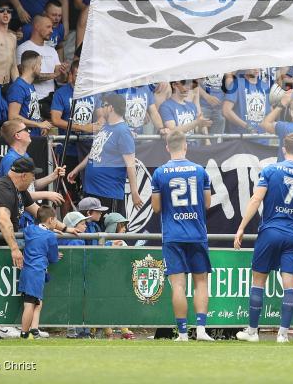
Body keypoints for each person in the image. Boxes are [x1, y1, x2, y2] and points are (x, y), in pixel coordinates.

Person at [0, 156, 63, 338]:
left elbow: (40, 214)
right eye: (33, 176)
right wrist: (15, 249)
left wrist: (65, 227)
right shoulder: (3, 188)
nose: (34, 180)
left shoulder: (20, 191)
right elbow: (3, 220)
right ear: (24, 175)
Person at [234, 133, 293, 344]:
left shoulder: (270, 170)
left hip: (270, 231)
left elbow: (256, 198)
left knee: (258, 282)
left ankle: (252, 332)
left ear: (283, 149)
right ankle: (283, 334)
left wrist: (241, 228)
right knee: (290, 285)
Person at [151, 131, 214, 342]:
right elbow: (207, 204)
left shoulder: (160, 173)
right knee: (201, 282)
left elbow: (156, 207)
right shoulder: (200, 171)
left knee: (178, 285)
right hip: (197, 233)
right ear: (186, 146)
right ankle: (202, 330)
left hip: (173, 235)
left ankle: (183, 333)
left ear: (167, 147)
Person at [68, 93, 142, 215]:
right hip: (92, 189)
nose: (101, 109)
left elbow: (130, 164)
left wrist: (134, 192)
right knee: (92, 230)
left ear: (111, 108)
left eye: (103, 105)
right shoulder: (105, 126)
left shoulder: (123, 131)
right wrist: (77, 169)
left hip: (108, 192)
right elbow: (94, 152)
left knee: (109, 231)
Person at [19, 205, 64, 340]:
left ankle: (33, 330)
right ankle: (24, 334)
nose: (56, 224)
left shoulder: (30, 229)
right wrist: (56, 255)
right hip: (37, 272)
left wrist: (53, 229)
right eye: (55, 221)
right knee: (30, 303)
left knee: (37, 302)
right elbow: (53, 257)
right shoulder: (50, 236)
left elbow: (37, 231)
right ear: (50, 219)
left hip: (27, 271)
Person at [51, 60, 98, 175]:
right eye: (78, 75)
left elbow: (102, 116)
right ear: (71, 75)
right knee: (67, 187)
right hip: (67, 149)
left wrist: (97, 125)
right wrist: (83, 128)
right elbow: (55, 120)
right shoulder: (61, 93)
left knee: (87, 186)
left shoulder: (94, 92)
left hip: (89, 149)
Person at [16, 14, 66, 115]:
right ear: (37, 27)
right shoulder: (23, 48)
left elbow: (60, 79)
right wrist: (54, 75)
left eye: (52, 27)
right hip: (33, 99)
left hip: (52, 100)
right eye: (48, 27)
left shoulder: (52, 50)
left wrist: (63, 73)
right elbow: (25, 75)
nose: (52, 31)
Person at [8, 50, 52, 135]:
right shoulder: (18, 87)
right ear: (34, 67)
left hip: (34, 135)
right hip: (23, 136)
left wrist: (40, 124)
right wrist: (38, 124)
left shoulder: (29, 85)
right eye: (40, 65)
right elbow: (12, 116)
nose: (40, 68)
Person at [222, 68, 270, 134]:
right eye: (253, 65)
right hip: (241, 139)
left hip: (263, 139)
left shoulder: (265, 86)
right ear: (246, 66)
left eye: (258, 65)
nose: (256, 69)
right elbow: (226, 111)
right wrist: (247, 126)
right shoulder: (236, 84)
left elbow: (270, 112)